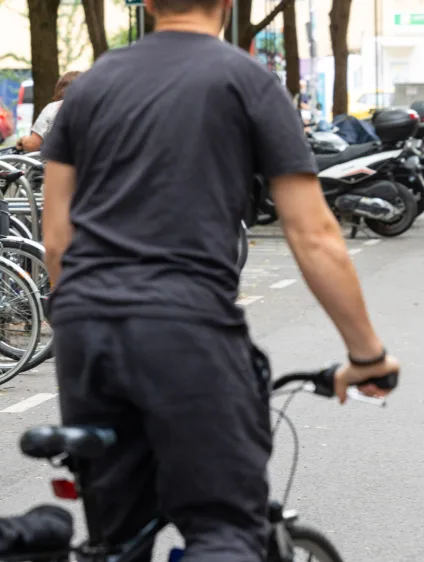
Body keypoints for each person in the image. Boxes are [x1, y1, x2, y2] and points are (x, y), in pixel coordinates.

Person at [39, 0, 399, 560]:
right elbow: (314, 236)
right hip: (183, 328)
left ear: (149, 4)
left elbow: (57, 239)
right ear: (227, 4)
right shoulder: (246, 80)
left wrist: (87, 323)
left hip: (85, 334)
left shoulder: (88, 87)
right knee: (225, 529)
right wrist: (368, 355)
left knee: (116, 539)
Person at [15, 71, 80, 153]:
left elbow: (33, 145)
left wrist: (23, 140)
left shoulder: (53, 108)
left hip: (56, 163)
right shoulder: (94, 110)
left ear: (60, 89)